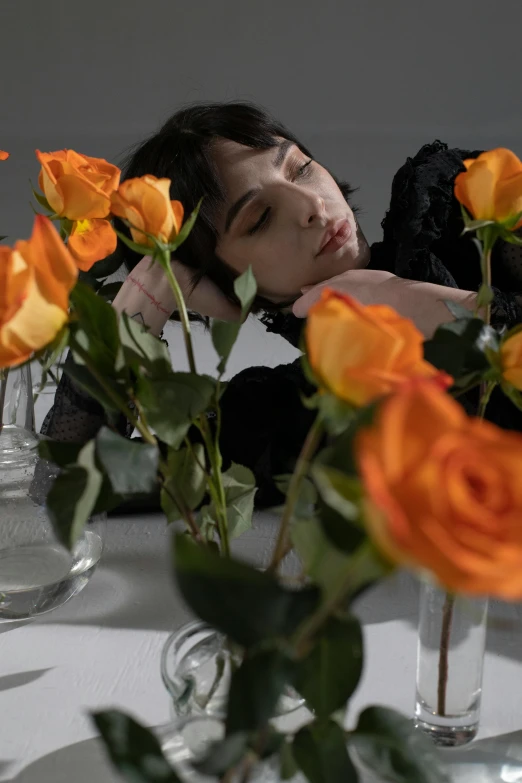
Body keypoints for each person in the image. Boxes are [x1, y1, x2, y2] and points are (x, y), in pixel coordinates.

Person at [41, 101, 522, 508]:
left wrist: (422, 303)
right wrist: (144, 300)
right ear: (224, 283)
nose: (310, 204)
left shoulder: (457, 210)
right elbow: (64, 484)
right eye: (261, 218)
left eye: (301, 168)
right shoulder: (302, 417)